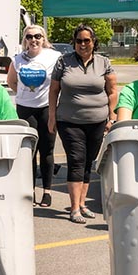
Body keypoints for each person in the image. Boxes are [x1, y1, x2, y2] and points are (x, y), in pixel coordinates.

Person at [48, 24, 118, 225]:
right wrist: (52, 116)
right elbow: (54, 91)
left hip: (97, 120)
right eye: (79, 40)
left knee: (89, 161)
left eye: (87, 40)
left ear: (93, 42)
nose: (83, 44)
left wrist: (111, 116)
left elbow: (112, 91)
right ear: (74, 43)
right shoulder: (64, 62)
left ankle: (82, 203)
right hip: (69, 121)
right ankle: (75, 207)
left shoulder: (104, 62)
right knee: (76, 159)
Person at [7, 24, 60, 207]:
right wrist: (23, 94)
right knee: (28, 151)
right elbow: (11, 81)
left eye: (37, 36)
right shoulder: (18, 59)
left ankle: (47, 191)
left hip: (46, 108)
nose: (34, 40)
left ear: (43, 38)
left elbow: (58, 82)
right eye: (29, 37)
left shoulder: (54, 57)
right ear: (25, 40)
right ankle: (29, 190)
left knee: (47, 150)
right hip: (25, 109)